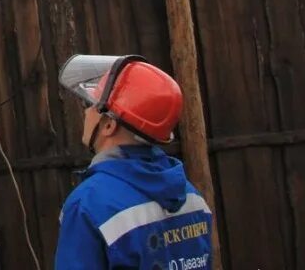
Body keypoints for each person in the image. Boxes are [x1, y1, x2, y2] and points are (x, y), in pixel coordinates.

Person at [54, 54, 212, 270]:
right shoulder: (192, 197)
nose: (86, 111)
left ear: (108, 124)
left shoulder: (87, 205)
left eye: (91, 103)